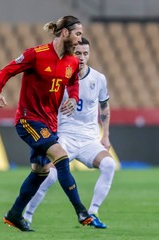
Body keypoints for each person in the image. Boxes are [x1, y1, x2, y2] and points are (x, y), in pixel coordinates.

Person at [0, 16, 93, 231]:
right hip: (28, 120)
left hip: (50, 123)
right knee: (61, 156)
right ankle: (81, 210)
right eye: (77, 33)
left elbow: (73, 81)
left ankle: (15, 215)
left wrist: (73, 98)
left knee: (41, 171)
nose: (80, 38)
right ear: (64, 32)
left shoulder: (72, 61)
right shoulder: (35, 55)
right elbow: (7, 70)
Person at [23, 37, 115, 229]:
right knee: (50, 176)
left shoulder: (98, 79)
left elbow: (104, 107)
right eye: (78, 53)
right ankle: (27, 215)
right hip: (65, 135)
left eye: (85, 53)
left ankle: (92, 212)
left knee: (108, 165)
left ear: (89, 54)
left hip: (89, 139)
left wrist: (105, 135)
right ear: (71, 53)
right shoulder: (61, 77)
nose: (81, 57)